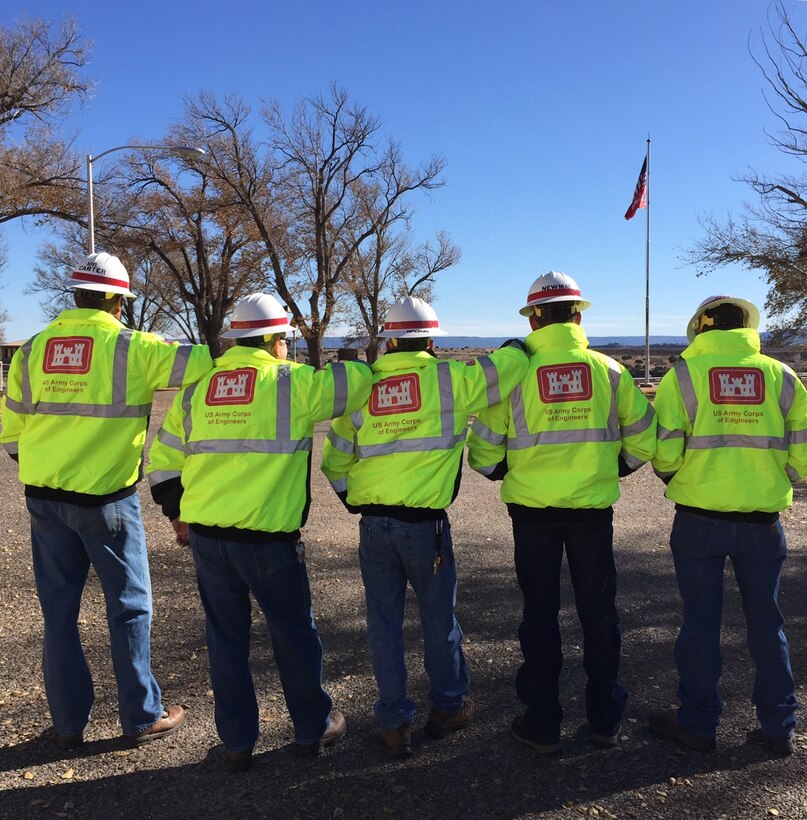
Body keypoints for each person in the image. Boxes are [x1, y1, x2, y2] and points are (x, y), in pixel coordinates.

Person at [147, 293, 373, 771]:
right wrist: (352, 358)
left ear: (235, 335)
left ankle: (235, 744)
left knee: (225, 641)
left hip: (208, 539)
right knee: (294, 636)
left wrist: (176, 514)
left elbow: (164, 461)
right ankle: (311, 731)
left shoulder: (198, 388)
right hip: (269, 541)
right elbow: (354, 384)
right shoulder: (293, 383)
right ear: (276, 339)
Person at [0, 252, 213, 750]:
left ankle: (68, 725)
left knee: (58, 610)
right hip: (106, 501)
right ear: (121, 300)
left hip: (44, 498)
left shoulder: (32, 349)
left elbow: (10, 430)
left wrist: (44, 469)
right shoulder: (133, 347)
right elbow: (208, 362)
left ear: (74, 294)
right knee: (129, 606)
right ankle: (141, 716)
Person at [321, 295, 529, 759]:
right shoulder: (450, 379)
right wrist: (519, 345)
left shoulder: (363, 388)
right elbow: (502, 371)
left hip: (374, 526)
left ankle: (395, 723)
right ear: (431, 338)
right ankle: (449, 707)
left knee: (383, 626)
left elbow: (334, 460)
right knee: (440, 621)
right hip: (426, 528)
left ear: (388, 339)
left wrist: (354, 502)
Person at [467, 271, 656, 755]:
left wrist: (516, 471)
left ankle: (542, 721)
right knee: (599, 614)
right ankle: (605, 720)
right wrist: (608, 470)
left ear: (533, 318)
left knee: (539, 615)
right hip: (592, 512)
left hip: (531, 512)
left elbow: (484, 455)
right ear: (578, 315)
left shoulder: (514, 378)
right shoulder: (610, 371)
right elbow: (644, 440)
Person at [648, 295, 807, 756]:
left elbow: (666, 451)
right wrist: (776, 481)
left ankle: (697, 724)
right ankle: (779, 729)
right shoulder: (783, 377)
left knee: (700, 624)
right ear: (748, 328)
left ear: (700, 329)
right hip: (762, 522)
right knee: (768, 625)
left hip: (699, 519)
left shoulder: (682, 376)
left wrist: (682, 478)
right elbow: (802, 452)